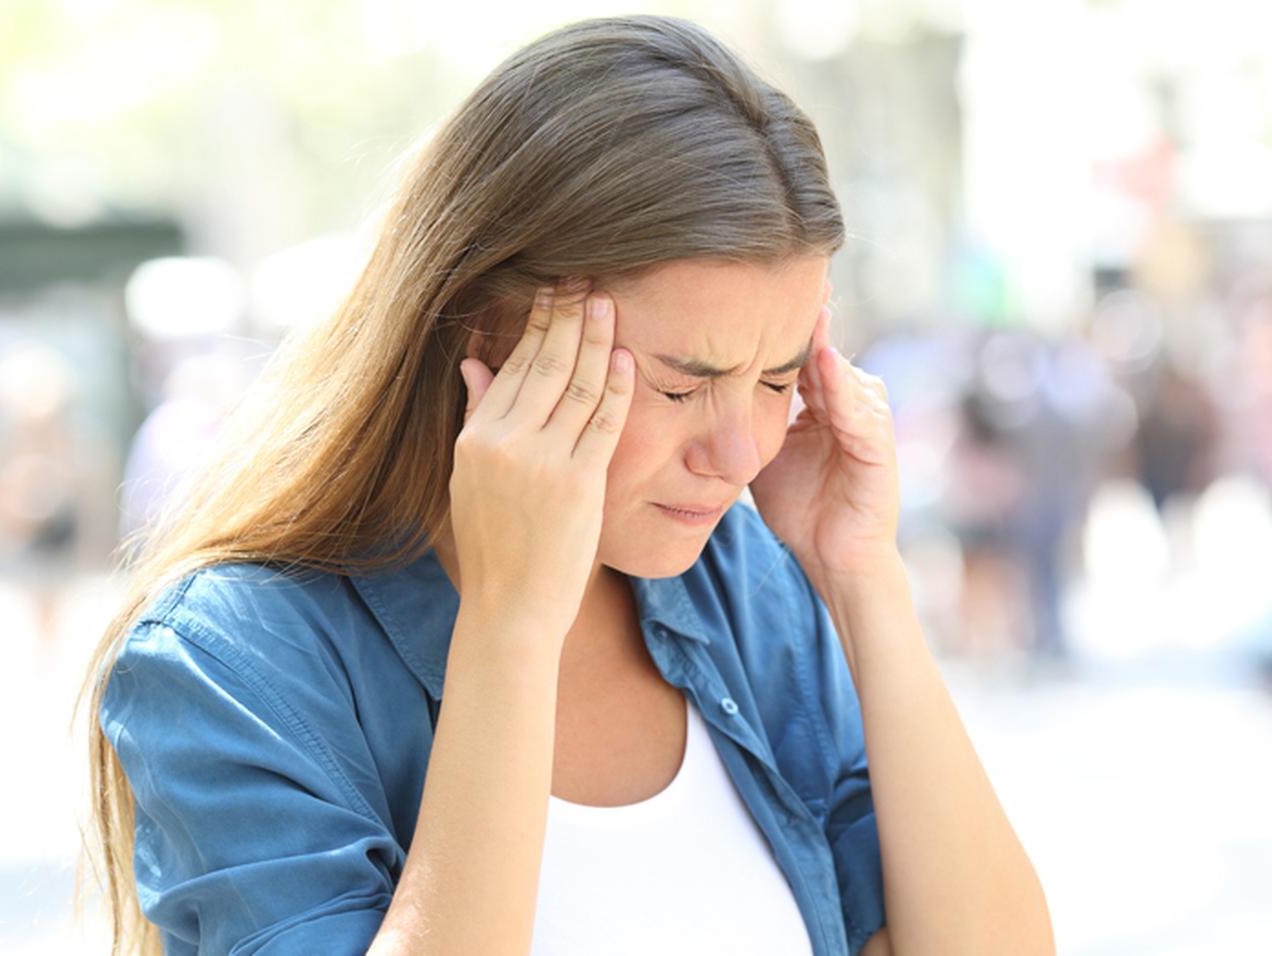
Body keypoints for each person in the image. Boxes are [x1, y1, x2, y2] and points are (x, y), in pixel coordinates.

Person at [74, 15, 1054, 956]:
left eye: (775, 378)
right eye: (680, 383)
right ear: (484, 333)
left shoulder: (741, 586)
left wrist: (861, 576)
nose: (740, 450)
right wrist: (509, 624)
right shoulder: (232, 661)